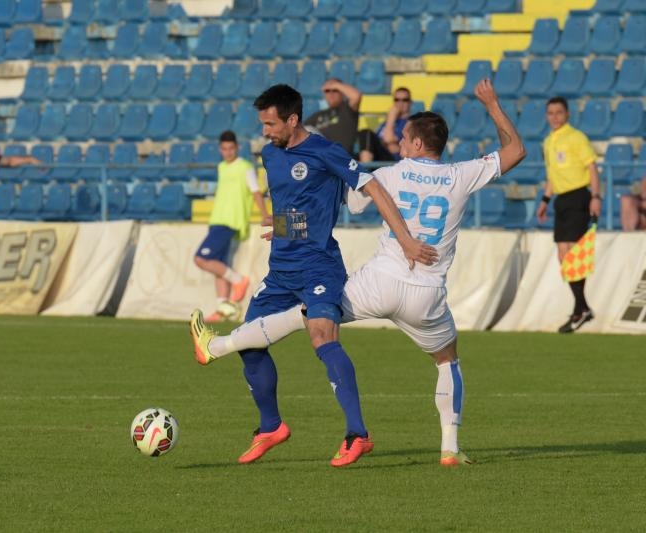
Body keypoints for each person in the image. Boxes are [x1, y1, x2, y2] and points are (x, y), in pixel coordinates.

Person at [191, 80, 526, 467]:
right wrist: (492, 105)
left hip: (380, 282)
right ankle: (449, 448)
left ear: (417, 145)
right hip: (427, 292)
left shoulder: (392, 174)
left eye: (403, 139)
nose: (399, 144)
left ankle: (216, 347)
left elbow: (344, 199)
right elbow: (516, 150)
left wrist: (390, 232)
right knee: (447, 361)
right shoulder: (461, 174)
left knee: (307, 318)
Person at [536, 97, 601, 333]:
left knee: (572, 254)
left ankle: (580, 309)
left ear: (567, 114)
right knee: (562, 256)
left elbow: (592, 168)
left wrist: (596, 196)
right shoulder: (548, 141)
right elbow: (551, 176)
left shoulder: (576, 137)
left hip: (578, 196)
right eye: (550, 113)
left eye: (558, 112)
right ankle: (581, 308)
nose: (554, 117)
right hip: (561, 200)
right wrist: (545, 200)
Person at [194, 130, 271, 322]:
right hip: (216, 220)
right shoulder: (221, 167)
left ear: (236, 148)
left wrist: (265, 215)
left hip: (230, 221)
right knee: (218, 266)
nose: (228, 152)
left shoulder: (245, 167)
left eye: (231, 148)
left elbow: (255, 192)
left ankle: (239, 281)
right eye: (224, 149)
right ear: (220, 150)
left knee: (201, 259)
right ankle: (223, 309)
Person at [302, 78, 361, 154]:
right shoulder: (317, 115)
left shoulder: (347, 108)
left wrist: (336, 85)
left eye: (335, 90)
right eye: (327, 91)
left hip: (339, 154)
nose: (331, 94)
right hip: (320, 155)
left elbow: (356, 96)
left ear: (342, 93)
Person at [358, 87, 413, 164]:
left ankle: (364, 170)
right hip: (379, 157)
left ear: (410, 102)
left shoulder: (411, 124)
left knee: (367, 134)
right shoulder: (385, 123)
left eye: (405, 100)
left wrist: (391, 117)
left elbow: (388, 141)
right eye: (397, 100)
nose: (400, 103)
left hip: (394, 161)